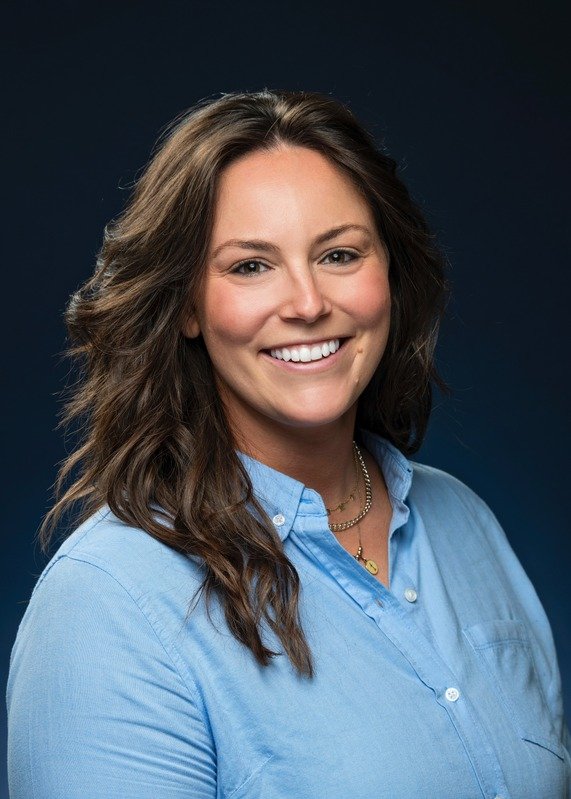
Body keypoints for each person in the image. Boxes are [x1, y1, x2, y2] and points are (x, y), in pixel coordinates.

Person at [7, 89, 570, 798]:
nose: (306, 303)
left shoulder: (464, 524)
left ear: (389, 277)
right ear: (184, 305)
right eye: (250, 265)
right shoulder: (109, 603)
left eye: (338, 253)